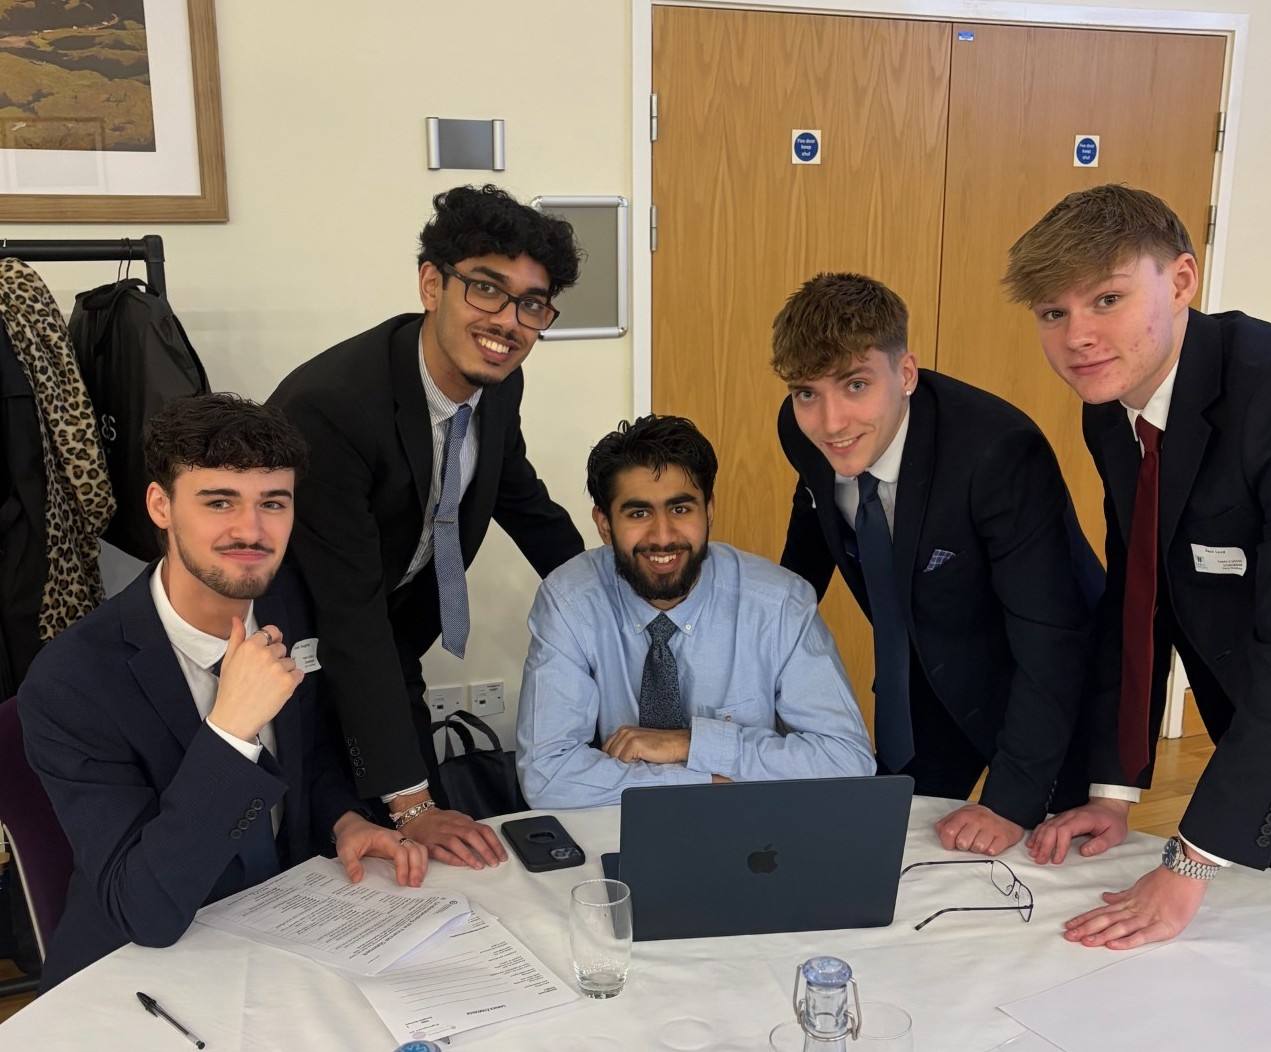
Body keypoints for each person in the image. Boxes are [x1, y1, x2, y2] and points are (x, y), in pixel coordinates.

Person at [1011, 183, 1271, 948]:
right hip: (1261, 741)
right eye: (1053, 313)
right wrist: (1114, 787)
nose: (1078, 337)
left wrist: (1191, 861)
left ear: (1181, 280)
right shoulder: (1109, 409)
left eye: (1106, 298)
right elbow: (1138, 601)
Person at [19, 394, 427, 990]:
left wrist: (343, 819)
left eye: (273, 503)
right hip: (142, 971)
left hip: (289, 930)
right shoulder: (71, 683)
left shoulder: (292, 601)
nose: (251, 531)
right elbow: (146, 910)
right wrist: (230, 731)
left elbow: (308, 756)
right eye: (218, 502)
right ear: (161, 505)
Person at [269, 185, 583, 867]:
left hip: (389, 640)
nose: (509, 321)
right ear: (431, 284)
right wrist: (410, 806)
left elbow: (519, 496)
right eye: (487, 289)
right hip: (292, 660)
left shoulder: (497, 383)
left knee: (434, 852)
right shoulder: (332, 408)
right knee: (338, 854)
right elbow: (347, 614)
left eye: (532, 303)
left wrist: (610, 594)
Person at [772, 273, 1102, 856]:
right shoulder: (801, 431)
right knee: (892, 844)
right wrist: (767, 635)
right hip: (923, 675)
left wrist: (1008, 803)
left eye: (855, 385)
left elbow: (1052, 638)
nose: (830, 422)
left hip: (1043, 683)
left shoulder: (997, 453)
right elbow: (814, 523)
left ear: (905, 374)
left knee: (1044, 861)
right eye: (807, 393)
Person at [516, 415, 875, 808]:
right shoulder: (569, 602)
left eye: (681, 509)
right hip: (617, 834)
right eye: (638, 513)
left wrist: (690, 745)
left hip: (755, 838)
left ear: (709, 509)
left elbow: (847, 761)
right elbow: (546, 776)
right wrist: (710, 782)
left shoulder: (779, 603)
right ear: (604, 524)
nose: (663, 536)